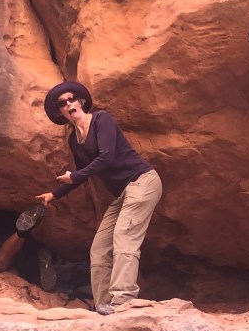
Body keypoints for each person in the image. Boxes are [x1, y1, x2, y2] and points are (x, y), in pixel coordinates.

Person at [36, 81, 162, 316]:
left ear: (80, 101)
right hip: (124, 193)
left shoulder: (101, 120)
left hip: (143, 181)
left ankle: (122, 300)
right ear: (60, 112)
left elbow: (106, 158)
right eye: (62, 103)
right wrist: (54, 194)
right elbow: (81, 174)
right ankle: (104, 305)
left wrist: (74, 176)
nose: (69, 104)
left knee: (124, 237)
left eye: (72, 98)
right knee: (99, 248)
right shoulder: (74, 140)